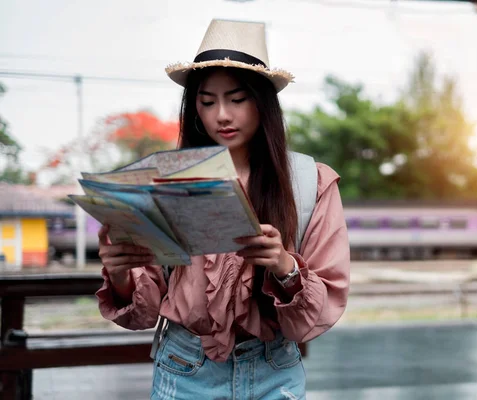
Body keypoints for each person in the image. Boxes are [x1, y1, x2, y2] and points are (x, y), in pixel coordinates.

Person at [95, 18, 350, 400]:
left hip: (275, 373)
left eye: (237, 98)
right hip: (185, 370)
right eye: (207, 101)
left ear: (263, 101)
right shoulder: (166, 179)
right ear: (194, 106)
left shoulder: (308, 181)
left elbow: (323, 307)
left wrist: (284, 267)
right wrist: (119, 276)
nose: (222, 115)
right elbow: (143, 315)